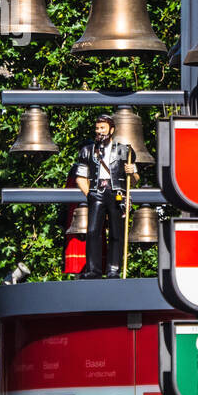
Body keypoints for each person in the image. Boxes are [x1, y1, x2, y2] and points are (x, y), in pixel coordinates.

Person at [73, 114, 137, 279]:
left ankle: (113, 270)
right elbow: (80, 177)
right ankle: (93, 270)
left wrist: (132, 173)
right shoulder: (87, 151)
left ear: (112, 130)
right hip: (97, 192)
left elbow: (135, 180)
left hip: (117, 193)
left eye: (103, 128)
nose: (99, 131)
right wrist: (91, 194)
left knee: (117, 232)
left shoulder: (125, 150)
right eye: (97, 128)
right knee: (93, 231)